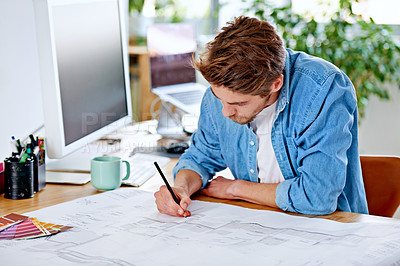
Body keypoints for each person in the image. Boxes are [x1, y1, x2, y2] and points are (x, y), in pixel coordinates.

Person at [154, 16, 368, 217]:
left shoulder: (323, 90)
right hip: (259, 224)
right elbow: (200, 157)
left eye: (239, 103)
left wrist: (236, 188)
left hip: (330, 228)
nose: (225, 112)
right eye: (219, 99)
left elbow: (317, 198)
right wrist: (180, 188)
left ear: (276, 84)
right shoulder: (222, 91)